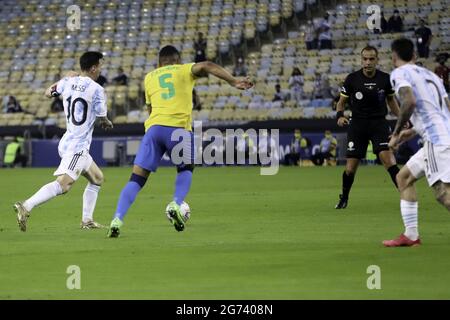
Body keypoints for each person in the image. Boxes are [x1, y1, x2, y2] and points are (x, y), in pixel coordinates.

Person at [107, 45, 253, 237]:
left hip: (153, 130)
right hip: (179, 129)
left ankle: (117, 219)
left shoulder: (149, 78)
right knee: (186, 168)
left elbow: (150, 110)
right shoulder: (184, 69)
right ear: (178, 60)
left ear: (159, 63)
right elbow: (208, 65)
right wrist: (233, 81)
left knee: (137, 179)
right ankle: (176, 203)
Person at [13, 51, 114, 232]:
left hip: (67, 140)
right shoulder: (97, 90)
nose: (100, 69)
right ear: (93, 68)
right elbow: (102, 117)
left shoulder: (67, 81)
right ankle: (26, 206)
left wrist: (64, 77)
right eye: (100, 66)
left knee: (97, 178)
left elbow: (47, 93)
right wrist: (106, 121)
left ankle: (87, 221)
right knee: (64, 184)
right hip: (78, 146)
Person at [383, 38, 450, 247]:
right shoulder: (431, 75)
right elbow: (443, 108)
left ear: (394, 56)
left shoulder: (399, 74)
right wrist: (411, 132)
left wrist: (396, 133)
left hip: (436, 139)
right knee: (403, 178)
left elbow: (409, 101)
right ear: (414, 55)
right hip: (442, 133)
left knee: (443, 194)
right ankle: (411, 235)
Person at [335, 45, 402, 209]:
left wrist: (402, 117)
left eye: (371, 59)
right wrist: (339, 116)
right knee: (350, 169)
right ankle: (344, 197)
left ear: (377, 60)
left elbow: (391, 101)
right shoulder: (352, 79)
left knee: (389, 161)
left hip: (378, 124)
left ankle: (406, 196)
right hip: (357, 125)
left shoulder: (385, 79)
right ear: (361, 60)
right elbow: (341, 103)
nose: (368, 62)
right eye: (365, 59)